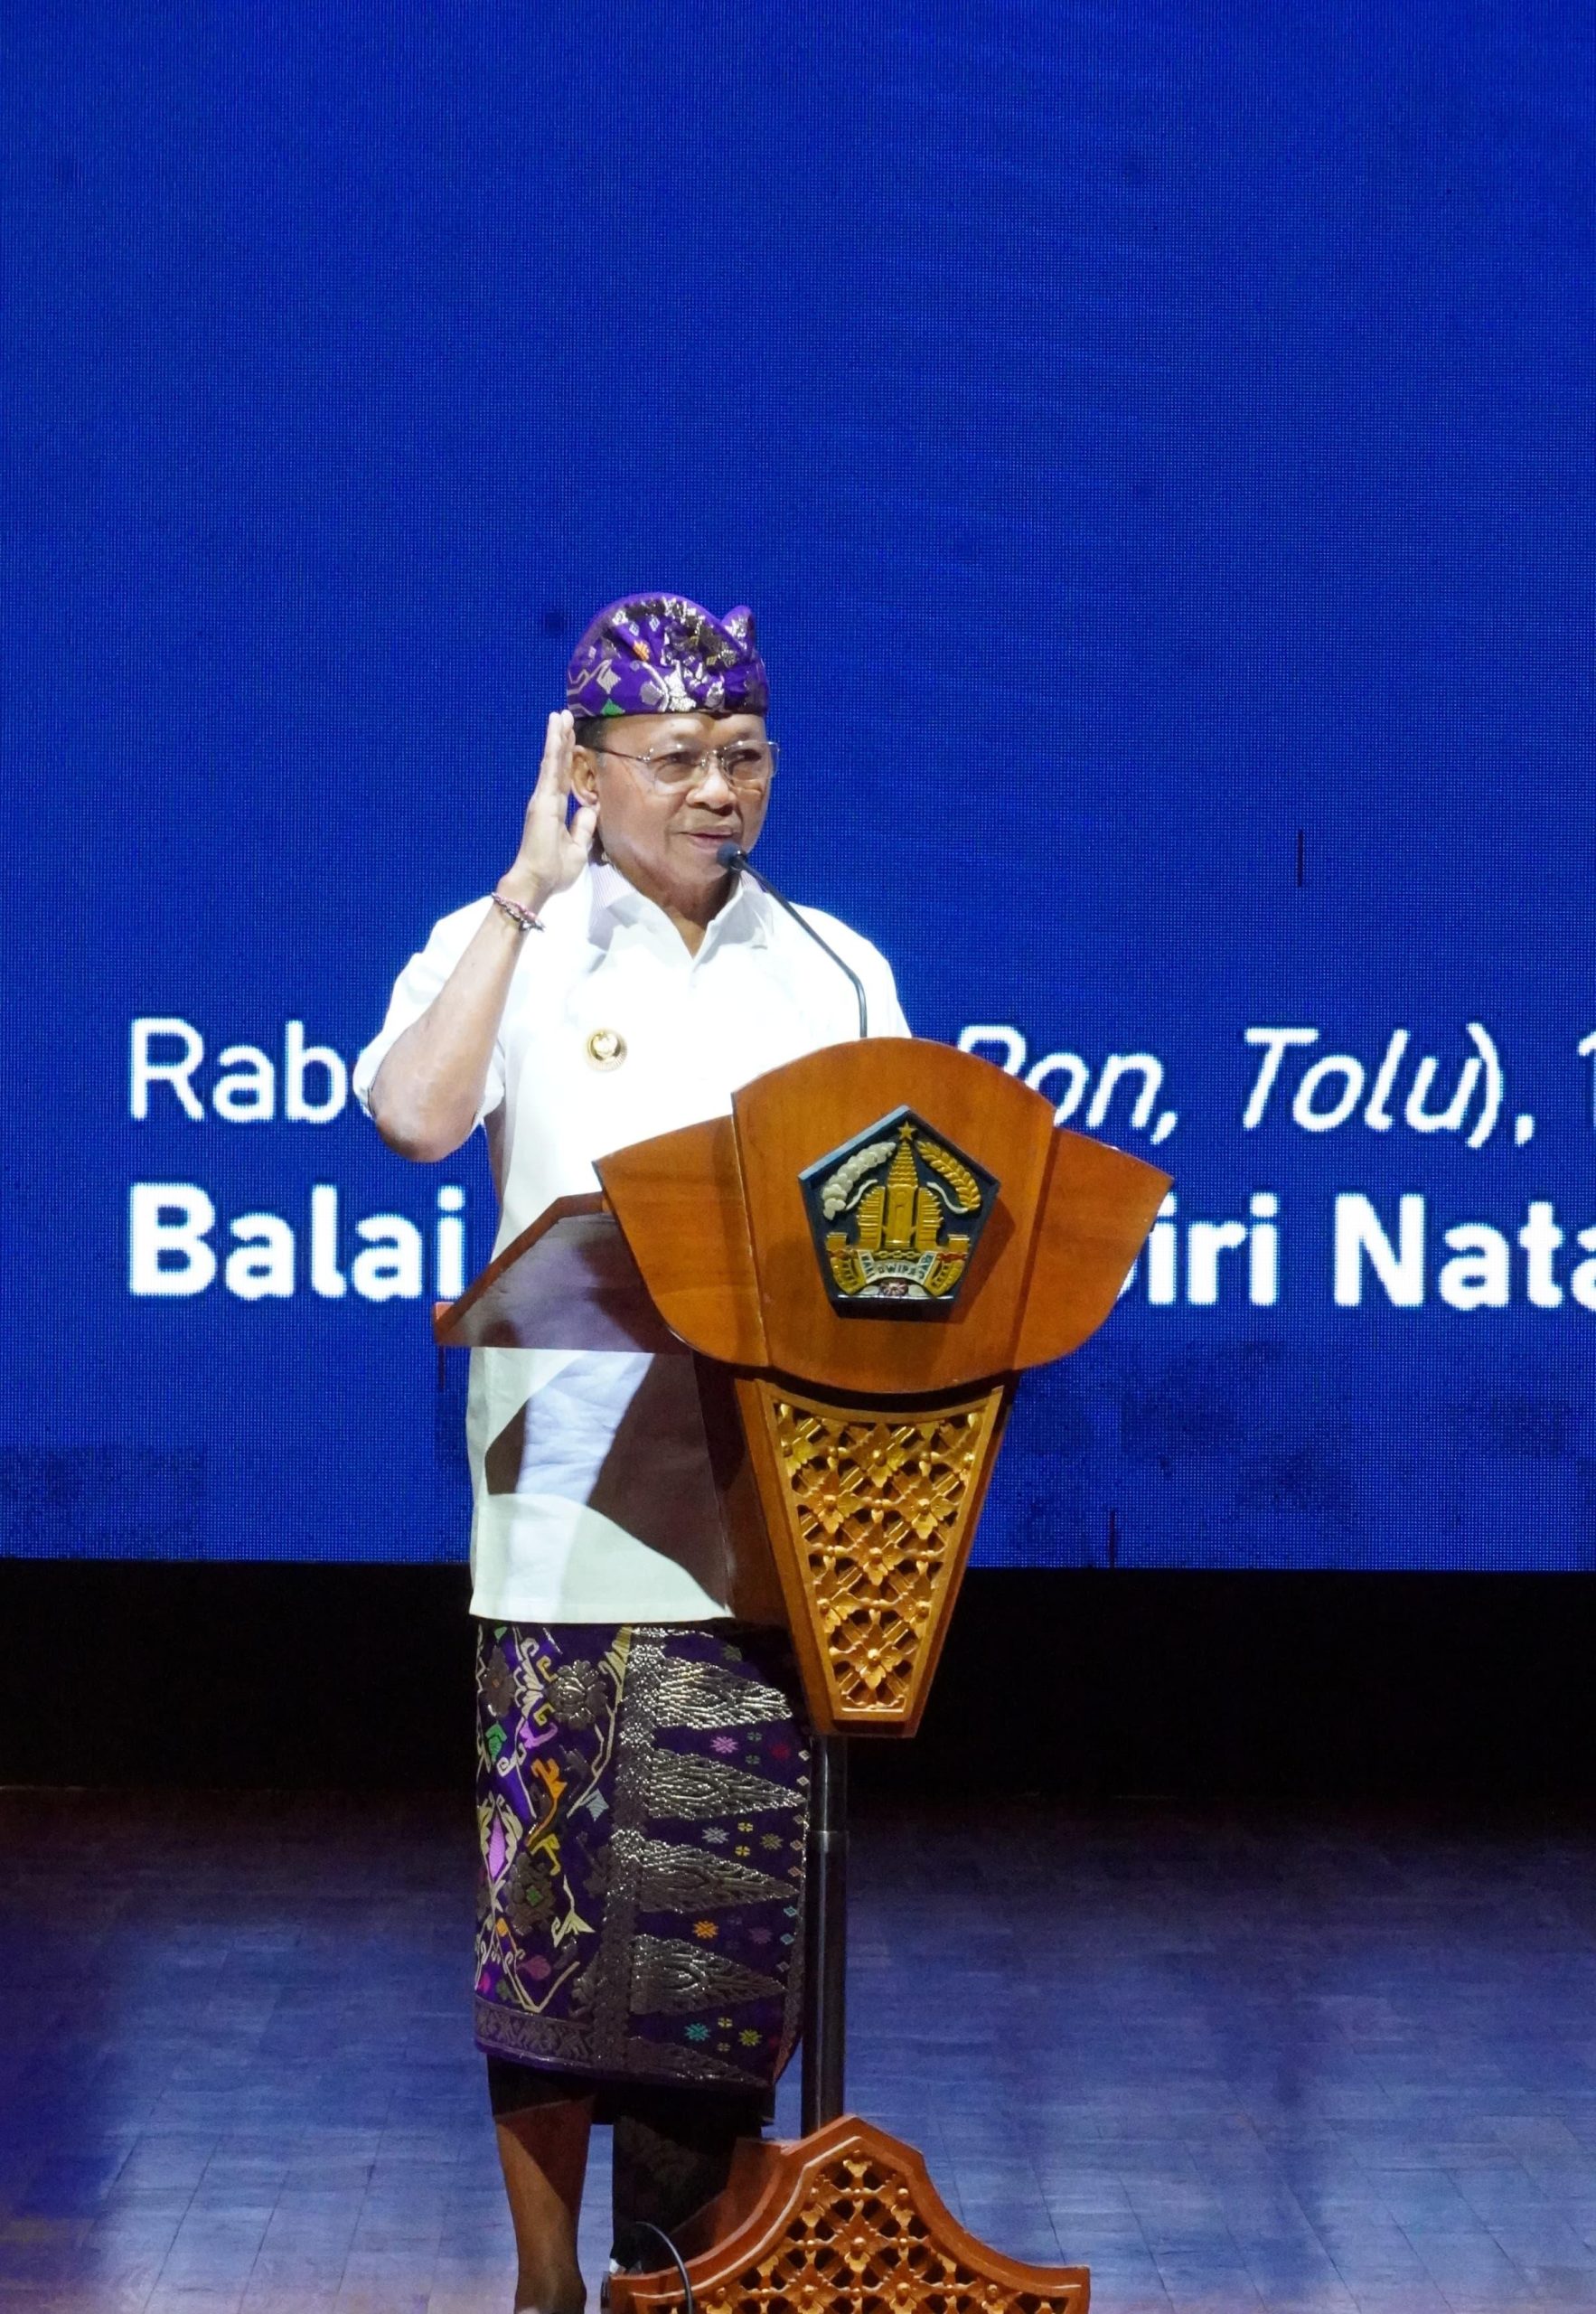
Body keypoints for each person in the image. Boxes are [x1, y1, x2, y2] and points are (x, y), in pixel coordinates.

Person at [353, 595, 907, 2314]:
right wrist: (522, 898)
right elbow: (414, 1117)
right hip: (561, 1521)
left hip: (767, 1518)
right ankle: (544, 2285)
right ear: (582, 772)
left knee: (712, 1942)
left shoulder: (836, 967)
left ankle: (676, 2274)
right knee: (558, 1931)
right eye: (673, 761)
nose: (717, 790)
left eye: (743, 755)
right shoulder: (510, 939)